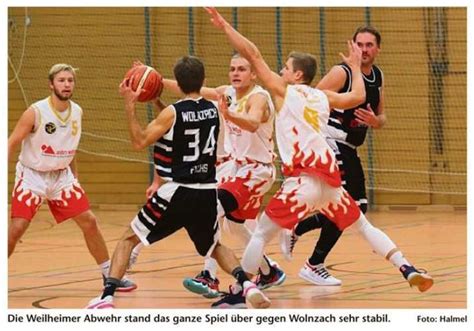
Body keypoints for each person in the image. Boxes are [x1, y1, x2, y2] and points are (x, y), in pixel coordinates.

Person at [205, 7, 433, 307]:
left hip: (302, 182)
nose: (281, 71)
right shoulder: (322, 96)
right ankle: (407, 267)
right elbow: (356, 98)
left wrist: (224, 27)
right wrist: (352, 66)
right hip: (332, 183)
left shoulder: (286, 92)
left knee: (260, 233)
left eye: (285, 68)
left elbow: (253, 54)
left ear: (297, 74)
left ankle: (242, 289)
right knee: (364, 227)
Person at [86, 56, 270, 309]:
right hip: (207, 191)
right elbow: (184, 122)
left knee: (129, 239)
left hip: (176, 192)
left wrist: (130, 105)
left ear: (180, 84)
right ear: (203, 80)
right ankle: (246, 284)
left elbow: (140, 141)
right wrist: (159, 101)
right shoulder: (216, 110)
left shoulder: (172, 114)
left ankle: (106, 298)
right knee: (214, 246)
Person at [132, 54, 285, 299]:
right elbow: (193, 89)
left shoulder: (259, 97)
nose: (236, 73)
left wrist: (229, 114)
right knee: (235, 227)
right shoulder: (227, 92)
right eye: (232, 68)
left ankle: (209, 276)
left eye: (242, 69)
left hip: (256, 171)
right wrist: (155, 80)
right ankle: (268, 272)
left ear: (254, 74)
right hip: (236, 168)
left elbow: (254, 123)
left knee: (210, 210)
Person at [8, 63, 136, 292]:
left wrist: (75, 177)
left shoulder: (77, 111)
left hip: (61, 177)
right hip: (32, 176)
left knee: (90, 221)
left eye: (70, 80)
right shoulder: (35, 111)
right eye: (61, 80)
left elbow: (70, 146)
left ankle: (109, 275)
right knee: (17, 228)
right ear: (51, 84)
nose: (67, 84)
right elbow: (11, 143)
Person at [279, 26, 387, 286]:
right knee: (349, 207)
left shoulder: (378, 76)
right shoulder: (342, 72)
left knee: (357, 207)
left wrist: (375, 120)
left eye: (369, 45)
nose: (363, 49)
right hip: (332, 142)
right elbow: (312, 99)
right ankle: (314, 264)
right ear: (352, 46)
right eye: (359, 44)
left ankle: (298, 230)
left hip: (350, 147)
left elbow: (383, 117)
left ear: (377, 49)